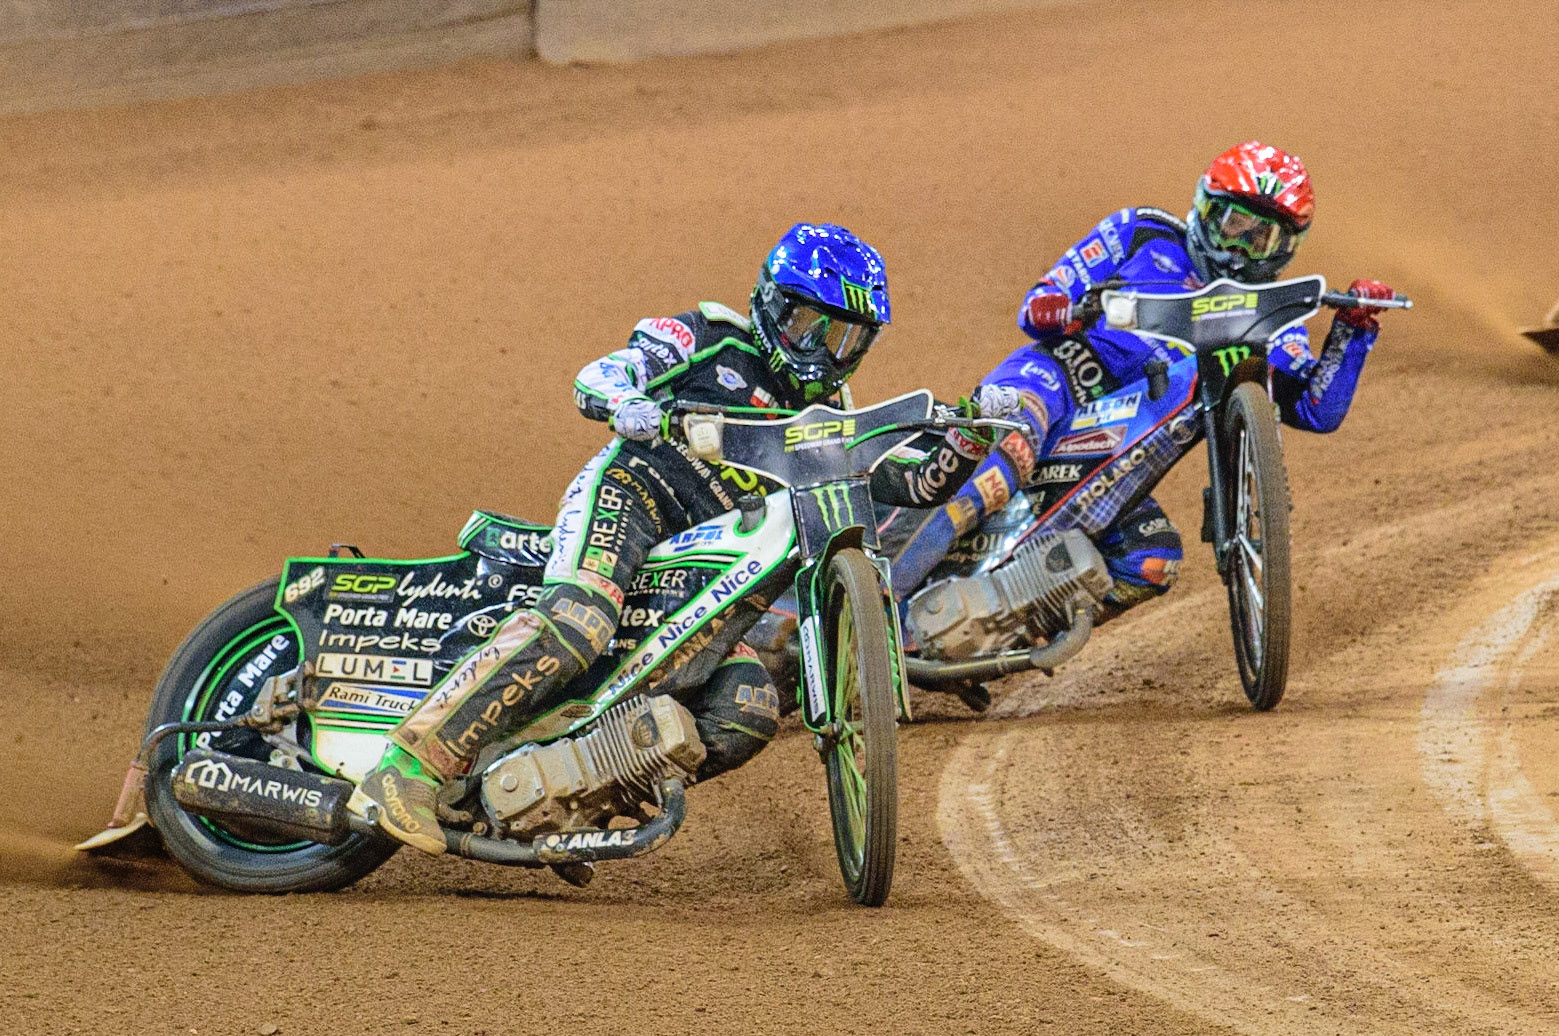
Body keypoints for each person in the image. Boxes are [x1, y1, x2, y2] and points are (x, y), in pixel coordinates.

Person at [349, 222, 1023, 853]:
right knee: (579, 622)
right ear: (770, 303)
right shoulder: (707, 338)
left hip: (706, 573)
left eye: (846, 338)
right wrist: (627, 404)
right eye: (810, 324)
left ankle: (557, 802)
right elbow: (604, 373)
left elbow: (908, 484)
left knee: (747, 708)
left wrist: (966, 436)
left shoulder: (828, 414)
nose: (824, 350)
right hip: (635, 497)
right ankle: (407, 767)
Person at [890, 141, 1402, 664]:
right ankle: (885, 597)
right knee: (1009, 456)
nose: (1239, 250)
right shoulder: (1141, 231)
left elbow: (1315, 408)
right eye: (1232, 225)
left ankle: (975, 642)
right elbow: (1035, 305)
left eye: (1261, 238)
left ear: (1285, 249)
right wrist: (1071, 307)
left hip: (1120, 457)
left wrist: (1354, 331)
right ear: (1205, 208)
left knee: (1153, 560)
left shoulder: (1271, 318)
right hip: (1060, 379)